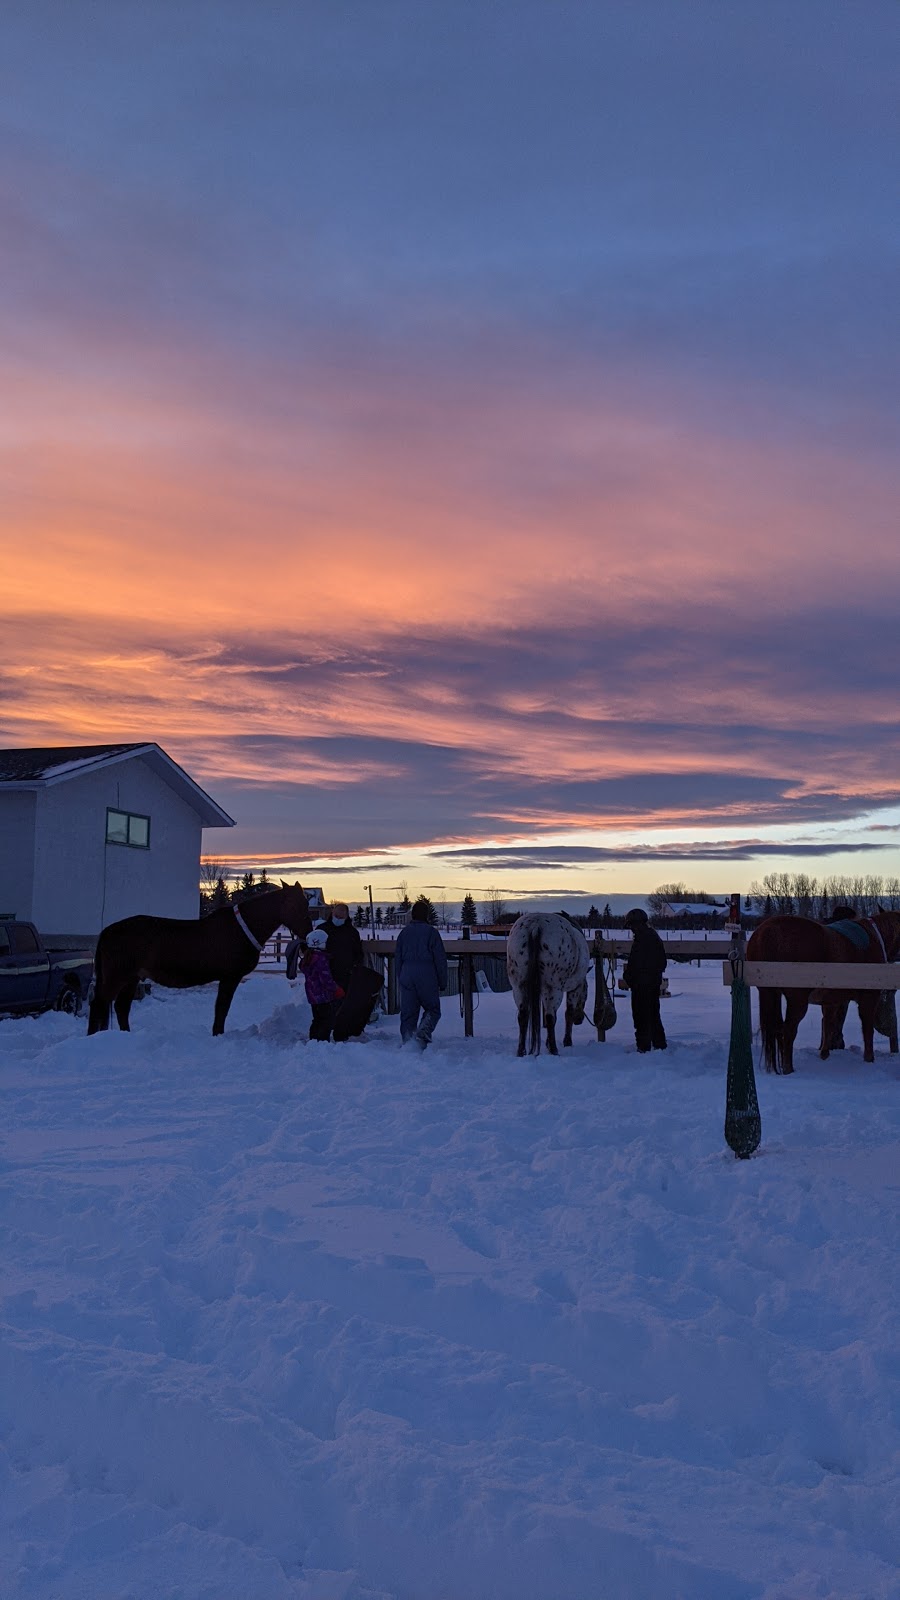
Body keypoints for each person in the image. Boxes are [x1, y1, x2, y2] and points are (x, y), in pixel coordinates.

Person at [395, 900, 448, 1049]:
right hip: (427, 973)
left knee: (408, 1011)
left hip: (407, 972)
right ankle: (424, 1031)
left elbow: (398, 958)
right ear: (427, 915)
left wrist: (401, 977)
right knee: (433, 1009)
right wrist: (442, 981)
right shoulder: (432, 933)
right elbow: (440, 959)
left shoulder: (404, 933)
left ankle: (407, 1040)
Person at [621, 907, 667, 1053]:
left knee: (642, 1016)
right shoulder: (649, 937)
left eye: (632, 926)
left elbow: (641, 963)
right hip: (648, 984)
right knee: (652, 1015)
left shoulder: (645, 939)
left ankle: (644, 1047)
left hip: (643, 985)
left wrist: (632, 976)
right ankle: (658, 1044)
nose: (632, 930)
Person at [299, 928, 344, 1042]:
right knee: (327, 1019)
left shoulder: (308, 958)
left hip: (313, 996)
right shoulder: (321, 959)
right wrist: (336, 989)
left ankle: (313, 1040)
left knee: (317, 1019)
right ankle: (322, 1041)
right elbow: (326, 979)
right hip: (323, 997)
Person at [320, 901, 364, 991]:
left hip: (345, 977)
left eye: (341, 917)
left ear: (346, 916)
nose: (338, 919)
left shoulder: (352, 933)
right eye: (336, 916)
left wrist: (354, 969)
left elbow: (358, 953)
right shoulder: (322, 929)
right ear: (332, 913)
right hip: (324, 975)